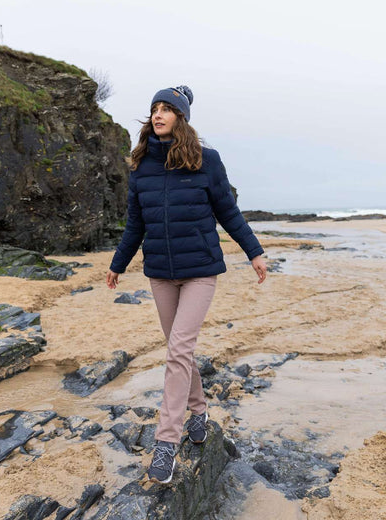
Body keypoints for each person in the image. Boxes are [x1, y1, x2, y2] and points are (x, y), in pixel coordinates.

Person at [106, 85, 267, 484]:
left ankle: (166, 443)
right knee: (180, 350)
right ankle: (199, 411)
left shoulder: (206, 161)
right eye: (154, 109)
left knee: (178, 349)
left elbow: (228, 211)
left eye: (167, 109)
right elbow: (135, 223)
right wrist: (117, 264)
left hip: (199, 271)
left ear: (181, 118)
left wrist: (255, 252)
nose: (158, 115)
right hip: (160, 272)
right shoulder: (141, 166)